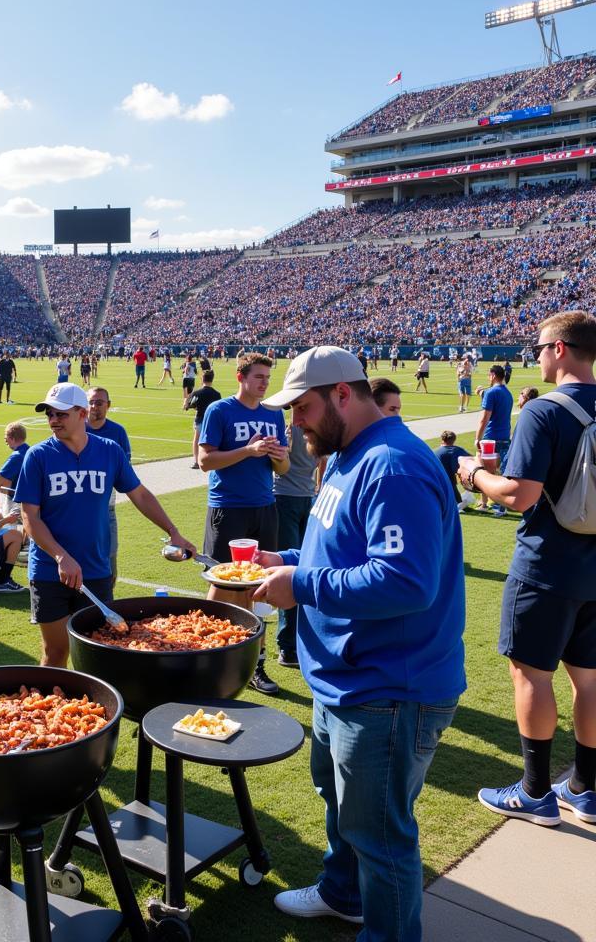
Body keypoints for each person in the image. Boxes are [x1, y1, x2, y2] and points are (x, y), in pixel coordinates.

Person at [252, 345, 465, 939]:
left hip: (388, 687)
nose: (294, 422)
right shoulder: (350, 453)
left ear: (343, 394)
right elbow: (341, 550)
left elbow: (405, 581)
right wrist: (288, 560)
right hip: (347, 677)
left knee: (381, 838)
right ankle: (344, 893)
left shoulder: (392, 464)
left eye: (303, 407)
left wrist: (302, 583)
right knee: (344, 808)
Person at [457, 311, 596, 827]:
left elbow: (519, 496)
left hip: (547, 566)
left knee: (531, 674)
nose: (533, 357)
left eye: (537, 347)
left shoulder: (545, 410)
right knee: (590, 679)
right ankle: (586, 787)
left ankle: (536, 792)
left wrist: (473, 475)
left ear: (560, 349)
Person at [14, 383, 195, 667]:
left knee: (98, 651)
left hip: (95, 568)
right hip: (50, 571)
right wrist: (61, 556)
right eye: (50, 413)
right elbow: (29, 517)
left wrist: (173, 532)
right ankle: (56, 708)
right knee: (56, 652)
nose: (53, 420)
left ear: (82, 413)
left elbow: (140, 494)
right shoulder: (38, 456)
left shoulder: (109, 451)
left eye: (61, 414)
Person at [198, 352, 290, 695]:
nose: (265, 383)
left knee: (261, 586)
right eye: (259, 377)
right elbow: (204, 460)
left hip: (265, 506)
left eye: (268, 377)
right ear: (240, 377)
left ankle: (256, 663)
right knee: (222, 584)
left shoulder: (273, 413)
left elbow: (280, 470)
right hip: (228, 508)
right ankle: (208, 652)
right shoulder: (219, 410)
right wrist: (247, 451)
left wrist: (279, 458)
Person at [272, 420, 321, 668]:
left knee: (294, 571)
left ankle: (290, 645)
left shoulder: (288, 430)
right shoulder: (320, 428)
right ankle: (289, 645)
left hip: (288, 498)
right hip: (305, 497)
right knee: (299, 569)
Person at [85, 386, 132, 585]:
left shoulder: (117, 432)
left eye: (100, 402)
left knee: (110, 558)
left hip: (106, 506)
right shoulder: (77, 429)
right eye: (92, 402)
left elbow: (125, 469)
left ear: (108, 405)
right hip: (78, 504)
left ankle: (107, 601)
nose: (95, 406)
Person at [474, 364, 514, 517]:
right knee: (500, 472)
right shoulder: (507, 393)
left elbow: (484, 419)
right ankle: (497, 504)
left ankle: (486, 503)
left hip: (490, 438)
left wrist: (477, 437)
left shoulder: (492, 393)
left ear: (492, 375)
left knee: (483, 471)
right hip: (504, 437)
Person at [183, 370, 221, 469]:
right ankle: (213, 460)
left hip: (200, 419)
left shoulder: (197, 393)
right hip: (212, 421)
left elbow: (187, 406)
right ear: (212, 379)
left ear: (202, 379)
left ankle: (196, 461)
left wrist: (190, 405)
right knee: (212, 442)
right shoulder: (217, 394)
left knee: (196, 441)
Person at [0, 422, 29, 516]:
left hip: (17, 502)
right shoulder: (30, 451)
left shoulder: (17, 457)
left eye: (6, 436)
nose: (5, 439)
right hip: (32, 500)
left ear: (12, 438)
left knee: (8, 528)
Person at [434, 430, 473, 513]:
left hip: (435, 477)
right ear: (454, 440)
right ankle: (457, 504)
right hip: (449, 477)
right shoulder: (457, 450)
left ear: (442, 439)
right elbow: (471, 458)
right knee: (452, 489)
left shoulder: (435, 451)